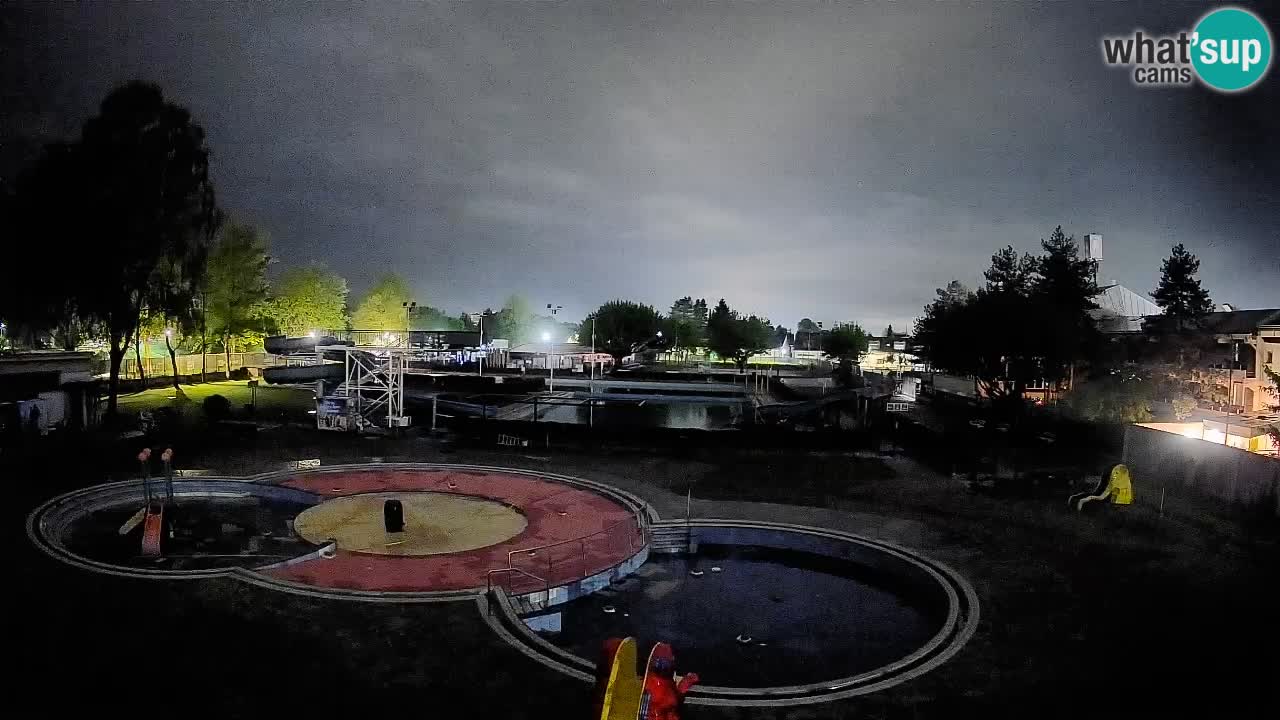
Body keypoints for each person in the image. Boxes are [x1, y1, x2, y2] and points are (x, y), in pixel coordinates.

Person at [639, 644, 698, 720]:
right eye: (661, 663)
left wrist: (686, 682)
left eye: (665, 664)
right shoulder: (651, 683)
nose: (663, 666)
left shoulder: (656, 682)